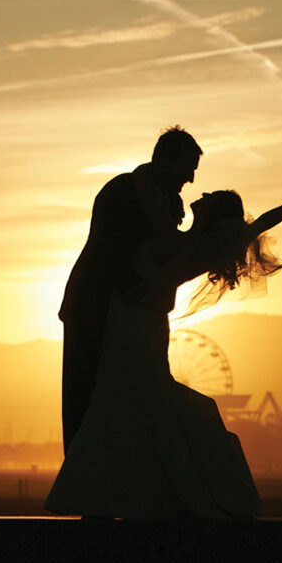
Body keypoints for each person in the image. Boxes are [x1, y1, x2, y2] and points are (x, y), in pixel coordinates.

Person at [45, 187, 282, 519]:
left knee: (125, 403)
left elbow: (261, 222)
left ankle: (109, 497)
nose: (200, 191)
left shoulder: (208, 242)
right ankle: (123, 495)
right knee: (131, 404)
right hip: (130, 322)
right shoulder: (187, 237)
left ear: (216, 213)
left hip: (137, 325)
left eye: (209, 195)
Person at [58, 127, 202, 455]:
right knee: (87, 400)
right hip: (94, 311)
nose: (191, 179)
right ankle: (87, 484)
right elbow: (114, 257)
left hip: (129, 315)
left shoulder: (166, 201)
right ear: (164, 160)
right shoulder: (123, 192)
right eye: (187, 168)